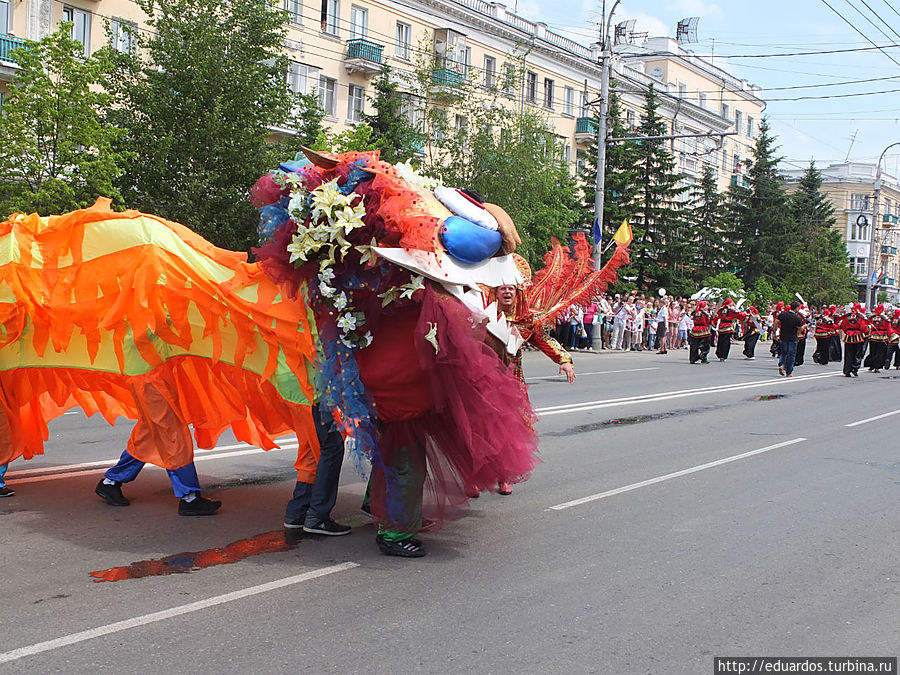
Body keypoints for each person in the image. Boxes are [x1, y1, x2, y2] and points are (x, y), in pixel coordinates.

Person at [489, 282, 576, 496]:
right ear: (495, 292)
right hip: (485, 380)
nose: (507, 292)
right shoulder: (485, 313)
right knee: (479, 429)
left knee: (509, 431)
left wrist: (563, 360)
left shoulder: (526, 318)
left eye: (511, 288)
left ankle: (504, 476)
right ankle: (473, 478)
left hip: (512, 382)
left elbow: (543, 339)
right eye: (503, 288)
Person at [283, 404, 350, 535]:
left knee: (310, 450)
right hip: (314, 397)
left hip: (297, 397)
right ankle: (317, 516)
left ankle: (298, 511)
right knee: (332, 446)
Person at [839, 303, 868, 377]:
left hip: (849, 336)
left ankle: (847, 370)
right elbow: (863, 328)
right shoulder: (861, 317)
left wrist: (848, 332)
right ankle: (855, 368)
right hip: (858, 336)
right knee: (857, 354)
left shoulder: (847, 317)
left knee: (848, 354)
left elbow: (843, 326)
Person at [776, 301, 803, 377]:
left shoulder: (783, 314)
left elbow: (776, 322)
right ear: (797, 308)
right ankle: (789, 372)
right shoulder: (797, 317)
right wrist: (804, 327)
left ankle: (782, 364)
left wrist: (774, 332)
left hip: (783, 336)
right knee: (791, 355)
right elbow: (800, 329)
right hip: (792, 338)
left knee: (783, 352)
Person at [864, 304, 890, 373]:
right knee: (880, 352)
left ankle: (871, 365)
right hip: (882, 336)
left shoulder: (872, 317)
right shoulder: (885, 318)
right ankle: (877, 366)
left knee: (872, 351)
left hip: (873, 336)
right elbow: (888, 327)